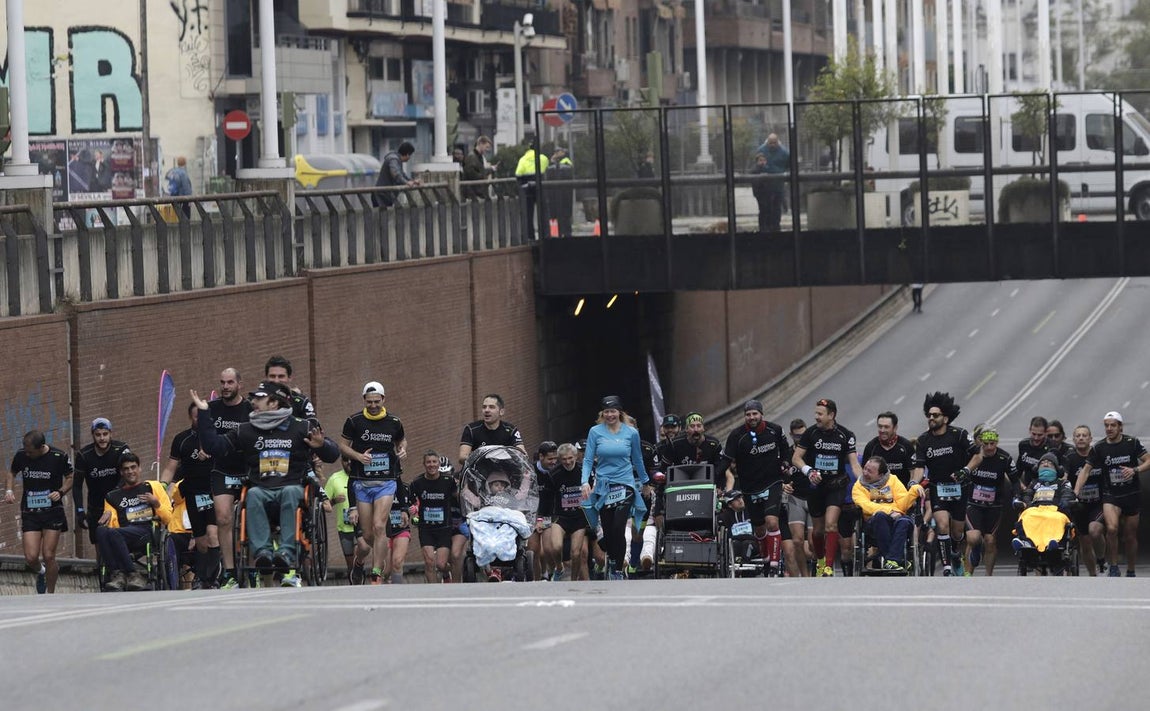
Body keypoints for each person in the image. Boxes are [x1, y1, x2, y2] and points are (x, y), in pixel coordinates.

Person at [192, 381, 340, 588]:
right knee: (252, 495)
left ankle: (286, 554)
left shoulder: (301, 426)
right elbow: (215, 447)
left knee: (289, 492)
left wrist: (322, 445)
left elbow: (334, 454)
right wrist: (205, 413)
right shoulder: (246, 430)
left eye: (259, 398)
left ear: (273, 403)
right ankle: (263, 553)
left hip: (292, 488)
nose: (253, 402)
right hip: (261, 489)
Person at [339, 381, 407, 584]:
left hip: (386, 481)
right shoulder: (354, 421)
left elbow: (401, 441)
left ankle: (376, 572)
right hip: (362, 483)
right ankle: (362, 562)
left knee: (380, 526)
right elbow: (342, 446)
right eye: (369, 402)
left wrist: (402, 449)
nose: (373, 405)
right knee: (368, 535)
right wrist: (358, 456)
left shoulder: (394, 421)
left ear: (383, 399)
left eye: (377, 401)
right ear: (364, 401)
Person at [791, 398, 864, 577]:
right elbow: (796, 458)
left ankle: (828, 567)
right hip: (816, 486)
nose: (816, 417)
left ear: (831, 415)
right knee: (817, 531)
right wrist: (809, 471)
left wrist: (864, 483)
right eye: (815, 413)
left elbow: (854, 464)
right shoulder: (810, 434)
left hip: (835, 485)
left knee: (831, 525)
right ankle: (821, 559)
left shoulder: (846, 435)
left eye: (820, 414)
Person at [718, 400, 792, 574]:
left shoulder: (775, 430)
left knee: (772, 522)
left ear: (761, 414)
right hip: (750, 487)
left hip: (773, 482)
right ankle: (766, 559)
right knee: (759, 529)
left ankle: (774, 564)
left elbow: (785, 450)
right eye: (748, 414)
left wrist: (786, 463)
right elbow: (726, 461)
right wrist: (714, 479)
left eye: (755, 414)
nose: (752, 417)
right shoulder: (737, 436)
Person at [580, 396, 649, 580]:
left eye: (613, 411)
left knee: (619, 527)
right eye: (607, 411)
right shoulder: (595, 432)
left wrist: (645, 482)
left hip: (625, 484)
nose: (610, 415)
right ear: (602, 413)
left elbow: (637, 459)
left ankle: (618, 569)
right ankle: (611, 558)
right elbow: (587, 460)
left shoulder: (631, 433)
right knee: (609, 531)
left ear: (620, 412)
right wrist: (585, 481)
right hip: (603, 486)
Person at [1074, 411, 1148, 577]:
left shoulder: (1132, 443)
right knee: (1112, 529)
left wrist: (1135, 470)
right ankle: (1113, 566)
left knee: (1129, 536)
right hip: (1111, 495)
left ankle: (1130, 569)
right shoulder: (1099, 448)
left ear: (1120, 427)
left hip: (1131, 493)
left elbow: (1148, 460)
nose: (1109, 428)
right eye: (1106, 425)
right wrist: (1076, 491)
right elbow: (1085, 471)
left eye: (1112, 425)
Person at [911, 392, 973, 576]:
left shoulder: (959, 434)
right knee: (942, 524)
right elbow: (920, 466)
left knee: (957, 532)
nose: (931, 418)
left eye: (935, 415)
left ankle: (955, 554)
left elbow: (978, 455)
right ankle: (946, 567)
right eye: (929, 415)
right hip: (938, 487)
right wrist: (914, 482)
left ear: (945, 418)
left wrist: (966, 470)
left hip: (959, 488)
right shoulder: (923, 440)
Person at [4, 430, 73, 594]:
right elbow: (12, 473)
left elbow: (70, 477)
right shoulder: (21, 455)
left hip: (52, 511)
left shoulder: (59, 456)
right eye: (25, 450)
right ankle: (41, 572)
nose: (27, 454)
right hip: (30, 512)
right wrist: (9, 490)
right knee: (31, 557)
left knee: (48, 555)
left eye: (30, 451)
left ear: (41, 447)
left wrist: (61, 491)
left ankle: (50, 593)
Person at [159, 403, 219, 589]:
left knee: (212, 535)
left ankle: (212, 576)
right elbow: (171, 467)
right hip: (193, 493)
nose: (199, 421)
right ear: (190, 417)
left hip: (215, 492)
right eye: (196, 418)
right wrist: (162, 487)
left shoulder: (217, 437)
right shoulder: (182, 440)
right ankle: (202, 576)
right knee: (200, 541)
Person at [97, 452, 173, 592]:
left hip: (146, 532)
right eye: (126, 469)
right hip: (122, 533)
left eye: (133, 467)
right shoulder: (112, 496)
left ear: (139, 468)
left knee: (114, 534)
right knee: (101, 530)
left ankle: (132, 574)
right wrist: (107, 516)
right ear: (121, 472)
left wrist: (156, 504)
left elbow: (168, 519)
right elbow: (111, 525)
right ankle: (117, 574)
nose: (130, 471)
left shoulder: (153, 487)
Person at [207, 367, 252, 589]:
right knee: (223, 517)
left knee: (252, 517)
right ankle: (229, 571)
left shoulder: (250, 409)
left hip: (247, 470)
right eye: (222, 382)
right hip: (222, 470)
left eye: (230, 382)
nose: (225, 387)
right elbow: (203, 433)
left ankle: (252, 567)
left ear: (239, 384)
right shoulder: (212, 408)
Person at [958, 427, 1014, 576]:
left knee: (989, 540)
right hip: (973, 503)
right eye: (986, 444)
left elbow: (1014, 479)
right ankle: (968, 573)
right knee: (973, 537)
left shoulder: (1005, 458)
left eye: (992, 444)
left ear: (996, 443)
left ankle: (988, 575)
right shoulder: (972, 455)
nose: (989, 447)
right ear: (980, 442)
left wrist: (1019, 496)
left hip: (994, 505)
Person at [853, 456, 925, 571]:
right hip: (874, 523)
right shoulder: (859, 486)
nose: (865, 473)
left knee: (905, 521)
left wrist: (913, 490)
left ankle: (892, 561)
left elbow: (902, 504)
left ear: (881, 475)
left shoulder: (893, 480)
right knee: (880, 516)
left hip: (896, 519)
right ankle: (893, 559)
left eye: (869, 471)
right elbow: (865, 505)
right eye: (865, 468)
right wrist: (889, 511)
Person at [73, 417, 131, 547]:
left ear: (111, 433)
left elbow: (127, 476)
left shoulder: (121, 449)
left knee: (121, 542)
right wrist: (80, 511)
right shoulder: (84, 455)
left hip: (119, 504)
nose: (102, 438)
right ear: (93, 435)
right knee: (100, 544)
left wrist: (114, 495)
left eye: (105, 434)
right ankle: (101, 566)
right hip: (96, 507)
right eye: (98, 435)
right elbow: (77, 485)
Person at [410, 451, 459, 583]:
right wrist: (412, 511)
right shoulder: (417, 482)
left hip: (444, 528)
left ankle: (447, 572)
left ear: (438, 464)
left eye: (434, 462)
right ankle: (433, 591)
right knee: (429, 562)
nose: (431, 465)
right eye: (428, 462)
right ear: (424, 464)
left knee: (441, 564)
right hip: (426, 528)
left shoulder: (448, 481)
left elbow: (458, 498)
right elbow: (412, 502)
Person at [544, 443, 589, 581]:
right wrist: (545, 518)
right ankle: (559, 568)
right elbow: (547, 499)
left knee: (576, 553)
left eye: (570, 458)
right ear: (559, 459)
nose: (568, 462)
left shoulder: (584, 471)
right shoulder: (553, 474)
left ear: (576, 456)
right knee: (556, 547)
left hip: (579, 517)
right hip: (561, 516)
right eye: (564, 459)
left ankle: (573, 580)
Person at [324, 457, 371, 584]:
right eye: (345, 460)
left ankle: (360, 573)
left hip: (361, 526)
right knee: (351, 566)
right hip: (344, 528)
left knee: (361, 549)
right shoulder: (335, 478)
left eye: (351, 460)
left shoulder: (363, 475)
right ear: (341, 462)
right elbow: (325, 503)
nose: (349, 462)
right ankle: (355, 585)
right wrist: (333, 501)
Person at [1065, 425, 1105, 576]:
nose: (1081, 438)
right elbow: (1064, 477)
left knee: (1095, 530)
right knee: (1085, 542)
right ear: (1073, 439)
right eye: (1078, 435)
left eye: (1084, 435)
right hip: (1079, 505)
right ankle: (1093, 574)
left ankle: (1101, 559)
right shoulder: (1069, 458)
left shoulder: (1098, 455)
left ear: (1090, 439)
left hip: (1098, 503)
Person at [660, 412, 727, 491]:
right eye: (692, 426)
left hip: (707, 487)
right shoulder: (675, 444)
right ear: (686, 429)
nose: (696, 429)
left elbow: (720, 468)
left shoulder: (714, 444)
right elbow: (664, 467)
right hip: (681, 488)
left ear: (703, 428)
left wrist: (719, 487)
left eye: (699, 426)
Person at [458, 394, 526, 465]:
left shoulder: (511, 430)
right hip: (479, 472)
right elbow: (462, 457)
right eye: (484, 407)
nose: (486, 410)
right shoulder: (471, 429)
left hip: (505, 472)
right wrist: (484, 459)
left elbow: (523, 454)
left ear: (501, 412)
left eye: (491, 407)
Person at [861, 411, 916, 486]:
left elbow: (913, 473)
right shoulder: (871, 447)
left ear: (895, 428)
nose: (882, 430)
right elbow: (864, 474)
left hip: (902, 494)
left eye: (886, 427)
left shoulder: (906, 446)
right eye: (880, 426)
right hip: (876, 494)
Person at [515, 135, 550, 240]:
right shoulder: (543, 158)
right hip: (540, 187)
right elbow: (546, 169)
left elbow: (518, 174)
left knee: (528, 214)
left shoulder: (523, 159)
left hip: (527, 188)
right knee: (543, 213)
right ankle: (545, 235)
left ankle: (530, 236)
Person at [264, 355, 317, 422]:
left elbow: (313, 427)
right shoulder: (254, 401)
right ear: (266, 378)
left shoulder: (301, 402)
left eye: (281, 376)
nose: (276, 381)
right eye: (272, 376)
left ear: (289, 378)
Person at [754, 132, 789, 231]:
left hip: (778, 184)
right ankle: (765, 228)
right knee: (765, 209)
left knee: (777, 208)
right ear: (767, 142)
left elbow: (788, 166)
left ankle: (775, 227)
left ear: (778, 142)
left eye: (774, 142)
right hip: (764, 187)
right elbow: (756, 166)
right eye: (770, 143)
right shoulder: (761, 151)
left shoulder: (785, 153)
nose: (773, 145)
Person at [374, 141, 420, 208]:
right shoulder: (393, 159)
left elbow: (402, 175)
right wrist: (407, 182)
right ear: (407, 154)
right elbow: (396, 174)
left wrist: (413, 181)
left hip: (386, 195)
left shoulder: (397, 160)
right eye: (410, 155)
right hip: (381, 196)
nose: (410, 158)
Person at [544, 147, 574, 238]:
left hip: (563, 193)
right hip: (559, 194)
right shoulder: (557, 163)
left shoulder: (566, 162)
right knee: (561, 216)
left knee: (564, 216)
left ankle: (566, 233)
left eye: (558, 152)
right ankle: (563, 233)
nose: (556, 154)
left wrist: (553, 161)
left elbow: (560, 170)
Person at [1017, 415, 1052, 489]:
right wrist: (1021, 486)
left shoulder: (1051, 447)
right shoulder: (1023, 445)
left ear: (1046, 433)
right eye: (1033, 434)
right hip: (1027, 487)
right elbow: (1018, 471)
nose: (1036, 438)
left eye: (1040, 435)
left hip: (1045, 487)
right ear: (1029, 430)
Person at [461, 135, 496, 201]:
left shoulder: (478, 157)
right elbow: (472, 175)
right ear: (480, 144)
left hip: (477, 193)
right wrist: (488, 171)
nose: (487, 150)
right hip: (473, 194)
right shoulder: (472, 157)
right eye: (486, 147)